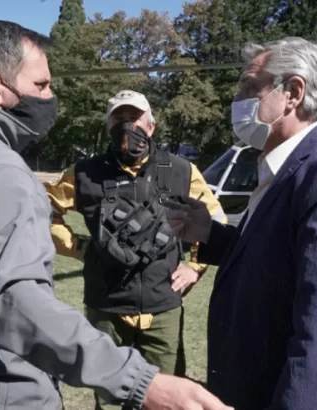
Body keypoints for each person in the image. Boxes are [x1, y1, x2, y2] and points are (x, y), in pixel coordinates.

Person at [0, 20, 231, 410]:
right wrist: (139, 381)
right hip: (0, 395)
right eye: (41, 85)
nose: (50, 97)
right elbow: (19, 306)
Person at [162, 37, 317, 410]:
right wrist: (209, 233)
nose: (237, 99)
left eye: (249, 86)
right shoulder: (289, 167)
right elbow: (282, 260)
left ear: (293, 93)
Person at [44, 89, 225, 408]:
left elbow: (212, 218)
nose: (127, 126)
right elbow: (44, 210)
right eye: (119, 119)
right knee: (110, 399)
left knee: (166, 399)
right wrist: (77, 247)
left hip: (162, 305)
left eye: (135, 118)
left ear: (151, 126)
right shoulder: (84, 173)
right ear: (108, 127)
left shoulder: (181, 170)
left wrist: (195, 266)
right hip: (106, 307)